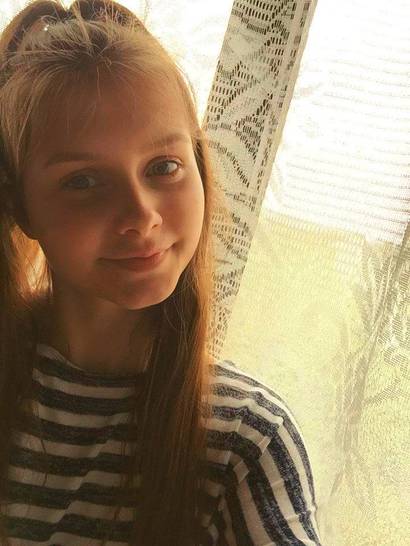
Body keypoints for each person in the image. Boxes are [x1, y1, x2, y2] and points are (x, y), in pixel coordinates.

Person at [0, 1, 323, 545]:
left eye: (164, 167)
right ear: (21, 207)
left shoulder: (244, 440)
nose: (141, 214)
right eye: (83, 181)